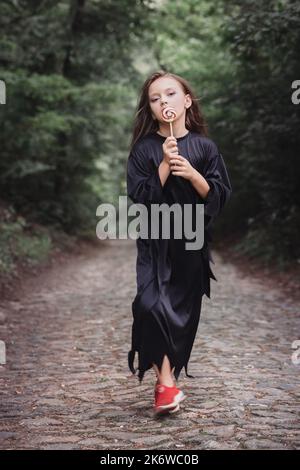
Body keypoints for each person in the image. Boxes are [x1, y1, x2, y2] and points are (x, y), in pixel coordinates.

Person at [126, 70, 232, 415]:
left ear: (186, 101)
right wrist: (164, 166)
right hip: (156, 241)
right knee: (149, 305)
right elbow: (139, 196)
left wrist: (193, 174)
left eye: (170, 95)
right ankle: (167, 385)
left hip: (190, 243)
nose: (163, 102)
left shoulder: (205, 148)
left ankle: (165, 384)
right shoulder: (143, 149)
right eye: (155, 99)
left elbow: (219, 195)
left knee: (180, 314)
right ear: (152, 109)